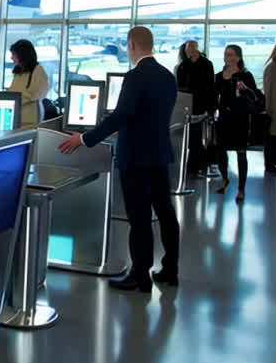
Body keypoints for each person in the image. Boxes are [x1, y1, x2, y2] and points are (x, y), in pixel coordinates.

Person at [59, 26, 180, 295]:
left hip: (135, 156)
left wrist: (85, 138)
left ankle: (140, 275)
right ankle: (170, 269)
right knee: (165, 212)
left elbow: (120, 117)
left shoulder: (135, 77)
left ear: (132, 46)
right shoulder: (167, 76)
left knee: (139, 217)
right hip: (159, 154)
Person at [214, 44, 260, 203]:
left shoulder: (246, 75)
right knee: (220, 151)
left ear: (239, 57)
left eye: (232, 54)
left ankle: (241, 188)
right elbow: (213, 97)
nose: (229, 57)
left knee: (241, 152)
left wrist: (245, 88)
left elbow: (256, 96)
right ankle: (225, 178)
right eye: (227, 54)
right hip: (224, 118)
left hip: (240, 118)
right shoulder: (218, 76)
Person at [176, 39, 215, 174]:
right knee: (187, 137)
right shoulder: (182, 66)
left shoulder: (206, 64)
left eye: (193, 48)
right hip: (185, 105)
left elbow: (210, 86)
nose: (191, 51)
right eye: (188, 48)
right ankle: (188, 166)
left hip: (200, 105)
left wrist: (211, 108)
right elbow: (179, 84)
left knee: (198, 137)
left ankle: (198, 165)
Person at [8, 38, 49, 129]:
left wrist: (12, 99)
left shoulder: (38, 70)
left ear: (23, 55)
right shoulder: (19, 72)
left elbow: (34, 94)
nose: (12, 58)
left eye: (14, 55)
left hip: (29, 120)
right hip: (17, 118)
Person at [263, 44, 276, 174]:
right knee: (272, 139)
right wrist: (268, 109)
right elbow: (268, 91)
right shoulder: (272, 68)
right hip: (274, 109)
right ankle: (270, 164)